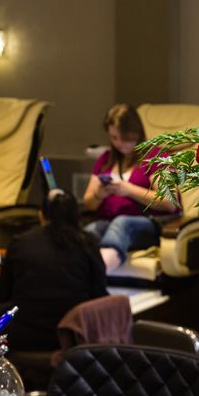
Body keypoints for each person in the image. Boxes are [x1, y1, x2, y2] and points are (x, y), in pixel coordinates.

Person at [0, 189, 108, 351]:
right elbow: (99, 294)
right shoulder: (88, 243)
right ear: (77, 216)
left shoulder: (20, 243)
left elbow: (4, 294)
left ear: (42, 215)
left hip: (24, 336)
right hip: (73, 338)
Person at [83, 103, 179, 272]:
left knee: (122, 223)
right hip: (108, 222)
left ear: (137, 133)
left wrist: (127, 189)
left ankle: (99, 274)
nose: (119, 144)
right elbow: (89, 203)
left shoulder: (156, 157)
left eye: (125, 138)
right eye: (114, 138)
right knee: (89, 231)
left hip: (147, 226)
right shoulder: (106, 160)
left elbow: (169, 202)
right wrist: (100, 194)